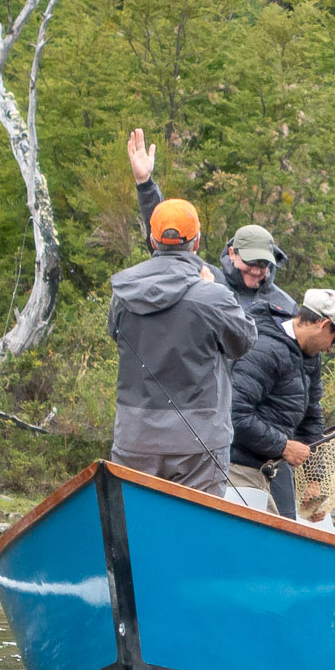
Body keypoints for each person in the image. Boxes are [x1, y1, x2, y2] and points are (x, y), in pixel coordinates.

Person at [107, 192, 255, 495]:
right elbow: (244, 342)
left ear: (152, 240)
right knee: (194, 531)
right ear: (196, 242)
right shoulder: (210, 295)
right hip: (199, 442)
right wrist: (213, 292)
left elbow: (116, 335)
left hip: (135, 436)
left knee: (137, 527)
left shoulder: (123, 292)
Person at [127, 129, 295, 320]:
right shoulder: (207, 278)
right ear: (232, 253)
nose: (256, 270)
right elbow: (169, 239)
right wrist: (145, 184)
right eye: (250, 262)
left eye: (263, 264)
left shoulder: (286, 306)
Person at [227, 289, 335, 516]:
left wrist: (314, 479)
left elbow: (312, 417)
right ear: (323, 324)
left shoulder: (311, 357)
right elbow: (234, 415)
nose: (331, 348)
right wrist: (284, 446)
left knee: (290, 530)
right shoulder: (264, 349)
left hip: (274, 467)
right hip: (238, 466)